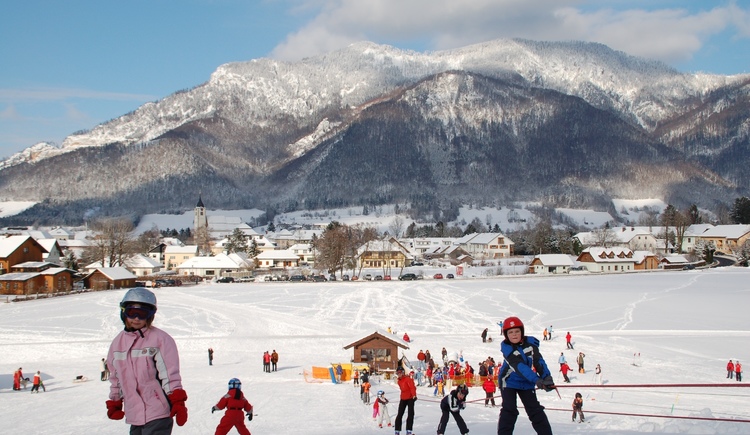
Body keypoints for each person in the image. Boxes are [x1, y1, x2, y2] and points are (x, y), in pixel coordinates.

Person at [105, 287, 187, 434]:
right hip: (134, 414)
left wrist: (178, 401)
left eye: (142, 314)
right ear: (124, 312)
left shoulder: (160, 340)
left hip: (158, 411)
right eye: (132, 312)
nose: (136, 318)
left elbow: (170, 375)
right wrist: (115, 402)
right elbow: (115, 378)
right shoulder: (117, 344)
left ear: (150, 316)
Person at [497, 316, 554, 435]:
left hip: (526, 382)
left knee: (535, 410)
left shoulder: (531, 345)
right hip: (509, 381)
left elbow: (538, 361)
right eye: (510, 332)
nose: (514, 335)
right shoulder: (507, 349)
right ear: (506, 335)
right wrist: (537, 380)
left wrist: (546, 377)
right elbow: (520, 367)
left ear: (522, 332)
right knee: (510, 409)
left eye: (517, 331)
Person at [394, 366, 417, 435]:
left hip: (410, 398)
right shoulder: (399, 381)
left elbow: (412, 387)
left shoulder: (407, 379)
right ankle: (397, 430)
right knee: (400, 414)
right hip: (403, 398)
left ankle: (409, 430)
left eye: (400, 373)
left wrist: (414, 395)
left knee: (410, 414)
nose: (399, 374)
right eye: (398, 373)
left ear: (403, 372)